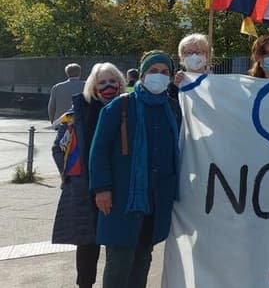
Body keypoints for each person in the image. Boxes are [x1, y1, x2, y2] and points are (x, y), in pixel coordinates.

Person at [88, 51, 182, 288]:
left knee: (143, 258)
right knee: (119, 263)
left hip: (156, 199)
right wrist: (102, 188)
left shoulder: (171, 108)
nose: (158, 77)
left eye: (164, 72)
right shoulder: (120, 106)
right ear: (142, 74)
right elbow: (98, 151)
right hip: (122, 197)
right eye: (153, 71)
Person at [51, 63, 126, 288]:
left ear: (120, 84)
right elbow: (58, 149)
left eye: (113, 81)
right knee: (87, 245)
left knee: (118, 248)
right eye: (102, 82)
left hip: (121, 186)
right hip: (86, 190)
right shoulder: (76, 115)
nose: (108, 86)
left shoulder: (128, 110)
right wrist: (72, 177)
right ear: (93, 86)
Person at [48, 63, 85, 128]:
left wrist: (53, 122)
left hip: (61, 123)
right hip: (80, 124)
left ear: (67, 73)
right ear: (80, 73)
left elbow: (51, 108)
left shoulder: (57, 87)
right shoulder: (86, 86)